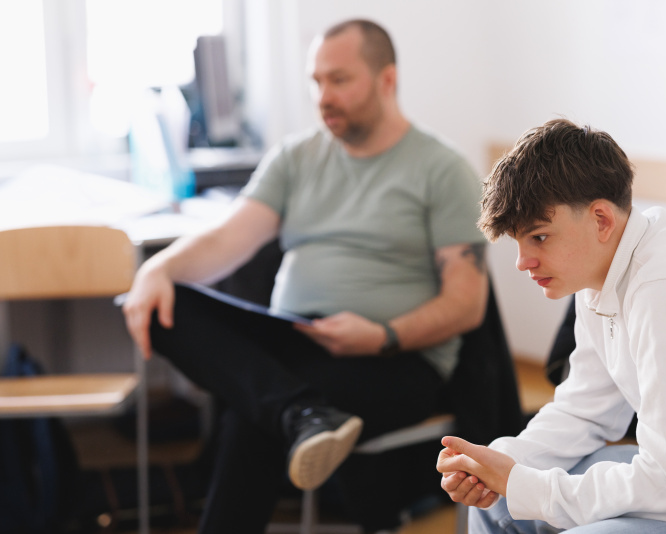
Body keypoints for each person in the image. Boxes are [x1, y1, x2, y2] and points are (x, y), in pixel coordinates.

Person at [123, 19, 488, 534]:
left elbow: (467, 304)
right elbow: (229, 239)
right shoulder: (296, 157)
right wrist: (158, 268)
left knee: (253, 415)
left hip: (398, 361)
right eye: (316, 81)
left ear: (387, 80)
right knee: (162, 305)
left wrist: (382, 336)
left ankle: (298, 414)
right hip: (299, 340)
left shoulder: (441, 168)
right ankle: (303, 414)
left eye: (339, 80)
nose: (323, 97)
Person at [436, 118, 666, 533]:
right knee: (495, 502)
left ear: (602, 220)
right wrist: (498, 465)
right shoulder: (605, 275)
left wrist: (526, 484)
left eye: (538, 237)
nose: (523, 262)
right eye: (518, 243)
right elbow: (584, 412)